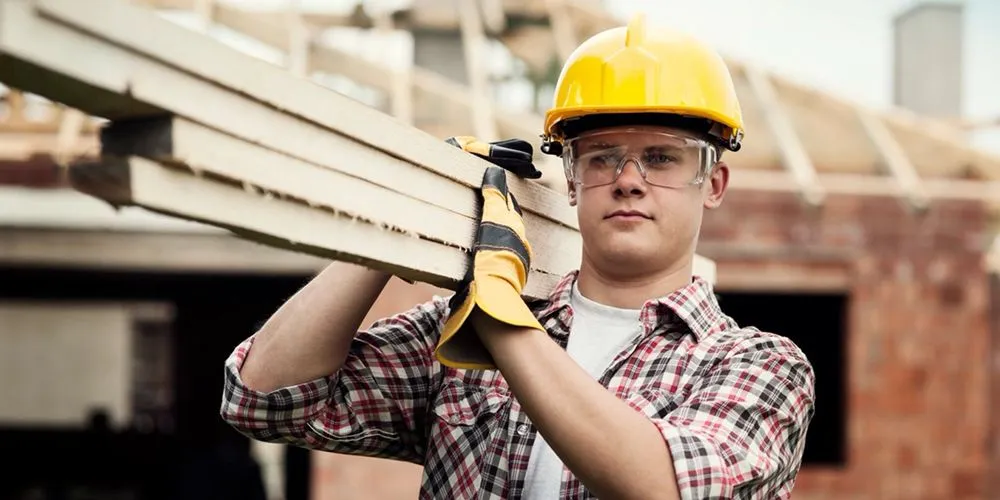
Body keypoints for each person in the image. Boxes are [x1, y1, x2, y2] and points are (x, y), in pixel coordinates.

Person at [220, 13, 815, 500]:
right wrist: (404, 219)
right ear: (572, 179)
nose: (628, 180)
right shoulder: (457, 332)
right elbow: (262, 398)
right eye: (601, 156)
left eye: (661, 157)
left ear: (713, 183)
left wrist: (497, 318)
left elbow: (666, 487)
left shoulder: (759, 367)